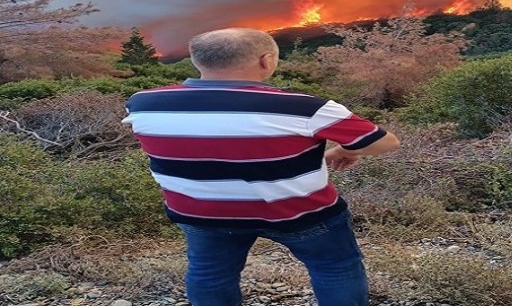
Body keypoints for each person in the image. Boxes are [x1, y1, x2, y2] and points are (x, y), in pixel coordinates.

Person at [123, 27, 399, 306]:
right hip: (300, 212)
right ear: (267, 60)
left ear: (197, 61)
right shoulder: (304, 107)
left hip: (202, 213)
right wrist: (343, 149)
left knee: (210, 274)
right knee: (334, 267)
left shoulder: (143, 103)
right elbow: (384, 143)